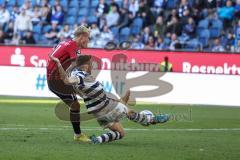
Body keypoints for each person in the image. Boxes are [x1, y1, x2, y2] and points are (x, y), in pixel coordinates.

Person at [49, 54, 170, 144]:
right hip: (105, 106)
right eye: (91, 64)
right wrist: (59, 63)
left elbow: (70, 74)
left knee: (121, 133)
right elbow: (66, 80)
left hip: (99, 112)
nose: (92, 65)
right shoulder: (79, 76)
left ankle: (98, 140)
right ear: (85, 66)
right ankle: (153, 119)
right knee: (128, 112)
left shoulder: (79, 74)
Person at [47, 25, 91, 142]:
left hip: (56, 79)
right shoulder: (73, 46)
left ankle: (78, 134)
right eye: (88, 38)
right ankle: (78, 135)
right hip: (57, 81)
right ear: (82, 37)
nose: (89, 41)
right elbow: (76, 66)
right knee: (76, 104)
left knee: (76, 103)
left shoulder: (67, 43)